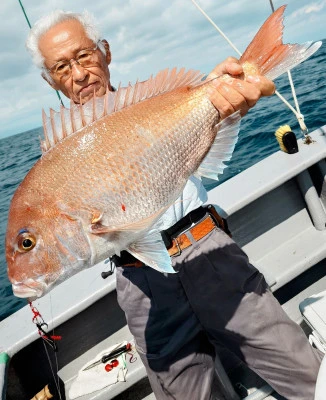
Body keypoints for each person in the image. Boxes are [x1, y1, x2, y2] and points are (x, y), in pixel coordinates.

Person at [26, 10, 322, 400]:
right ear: (51, 81)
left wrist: (227, 99)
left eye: (84, 56)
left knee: (305, 375)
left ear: (106, 52)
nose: (78, 74)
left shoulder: (157, 102)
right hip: (141, 284)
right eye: (61, 67)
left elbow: (213, 112)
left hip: (210, 254)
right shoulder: (56, 160)